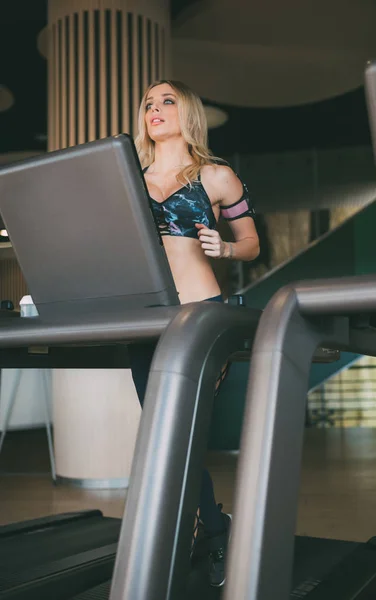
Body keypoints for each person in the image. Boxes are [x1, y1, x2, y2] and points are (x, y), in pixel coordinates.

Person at [129, 79, 260, 588]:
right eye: (147, 104)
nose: (155, 109)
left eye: (166, 101)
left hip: (200, 313)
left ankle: (203, 530)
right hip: (143, 317)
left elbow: (249, 242)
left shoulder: (217, 176)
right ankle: (211, 527)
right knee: (161, 435)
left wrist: (225, 249)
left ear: (188, 112)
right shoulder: (128, 179)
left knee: (183, 433)